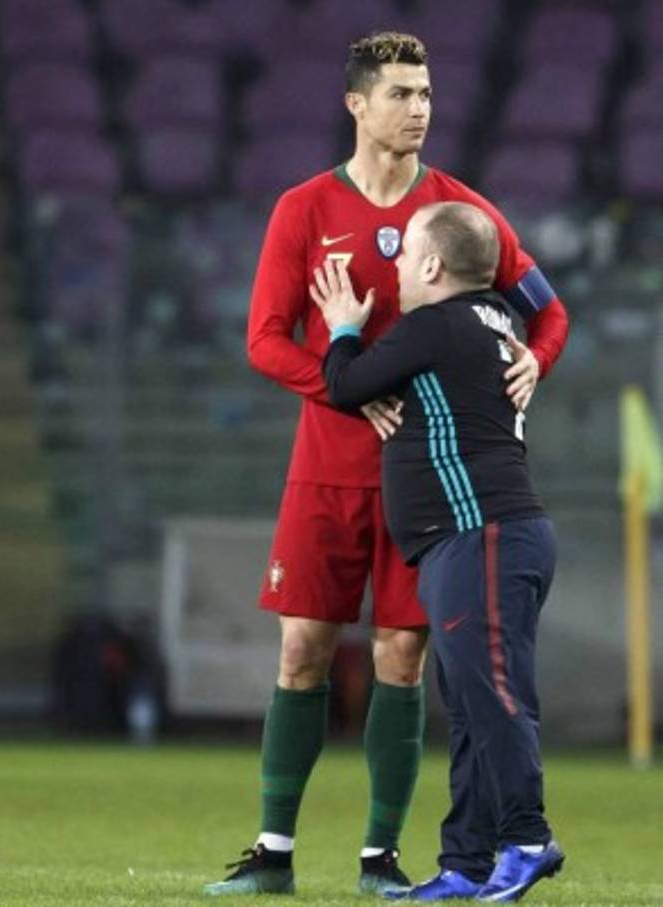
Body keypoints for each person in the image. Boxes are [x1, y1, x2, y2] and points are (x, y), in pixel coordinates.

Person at [204, 32, 568, 897]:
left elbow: (548, 312)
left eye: (427, 93)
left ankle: (380, 857)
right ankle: (273, 851)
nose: (419, 109)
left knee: (404, 658)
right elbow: (262, 340)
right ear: (356, 104)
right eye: (401, 93)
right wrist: (349, 394)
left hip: (433, 484)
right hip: (326, 467)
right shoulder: (303, 210)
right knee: (302, 650)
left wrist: (536, 363)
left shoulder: (458, 212)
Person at [314, 200, 564, 903]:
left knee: (491, 696)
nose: (393, 267)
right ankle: (467, 863)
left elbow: (345, 386)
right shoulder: (498, 321)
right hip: (493, 535)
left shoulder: (435, 325)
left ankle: (527, 836)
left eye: (403, 255)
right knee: (474, 699)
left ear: (431, 265)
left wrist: (343, 328)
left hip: (478, 533)